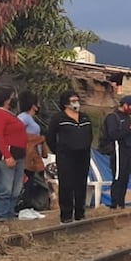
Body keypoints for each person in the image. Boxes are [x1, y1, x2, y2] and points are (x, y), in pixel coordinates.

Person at [46, 91, 94, 223]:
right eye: (73, 101)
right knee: (66, 185)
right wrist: (58, 150)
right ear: (66, 103)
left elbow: (90, 134)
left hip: (83, 155)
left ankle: (80, 213)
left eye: (77, 100)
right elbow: (50, 137)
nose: (76, 103)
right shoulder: (59, 118)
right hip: (66, 156)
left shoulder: (85, 117)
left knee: (81, 184)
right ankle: (66, 215)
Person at [0, 86, 28, 221]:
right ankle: (1, 215)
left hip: (19, 154)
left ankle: (10, 212)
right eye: (12, 97)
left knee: (16, 188)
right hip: (8, 154)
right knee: (5, 187)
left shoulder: (10, 114)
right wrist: (7, 155)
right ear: (6, 99)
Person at [101, 95, 131, 209]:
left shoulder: (127, 117)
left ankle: (121, 203)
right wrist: (130, 128)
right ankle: (114, 204)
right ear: (125, 105)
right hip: (118, 151)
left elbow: (127, 135)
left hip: (128, 151)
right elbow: (113, 135)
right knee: (118, 177)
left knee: (125, 178)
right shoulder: (112, 117)